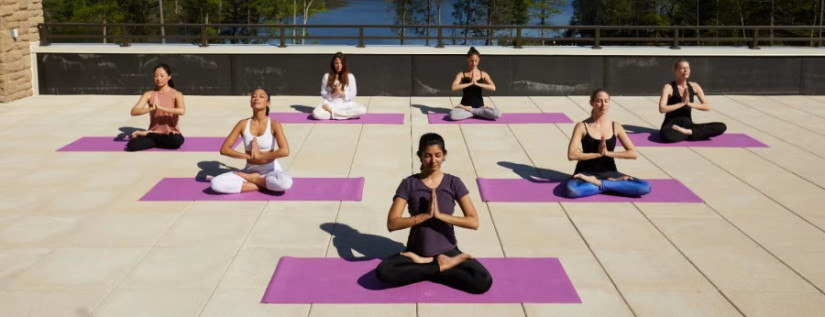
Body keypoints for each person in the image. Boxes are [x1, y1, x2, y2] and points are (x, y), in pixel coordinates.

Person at [375, 133, 492, 294]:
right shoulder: (409, 184)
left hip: (448, 251)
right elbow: (392, 223)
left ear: (444, 155)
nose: (433, 160)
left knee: (482, 280)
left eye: (438, 155)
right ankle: (439, 266)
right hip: (417, 252)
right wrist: (424, 216)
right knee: (384, 271)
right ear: (420, 156)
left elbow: (473, 222)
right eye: (428, 156)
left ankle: (427, 268)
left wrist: (439, 215)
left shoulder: (454, 183)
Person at [565, 89, 651, 198]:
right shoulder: (582, 126)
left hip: (610, 173)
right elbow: (572, 155)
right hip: (585, 173)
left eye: (606, 101)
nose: (603, 105)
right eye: (599, 101)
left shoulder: (616, 126)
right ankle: (612, 186)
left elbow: (633, 153)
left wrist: (608, 153)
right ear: (592, 103)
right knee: (572, 190)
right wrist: (597, 154)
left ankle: (599, 184)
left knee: (645, 187)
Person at [210, 88, 293, 194]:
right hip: (250, 170)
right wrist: (248, 156)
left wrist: (260, 156)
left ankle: (254, 180)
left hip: (271, 170)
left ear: (268, 103)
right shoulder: (243, 124)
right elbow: (224, 149)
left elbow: (285, 151)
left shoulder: (274, 124)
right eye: (254, 96)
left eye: (261, 96)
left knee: (285, 183)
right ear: (250, 103)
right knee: (216, 183)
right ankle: (262, 183)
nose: (256, 98)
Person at [657, 59, 727, 143]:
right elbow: (662, 108)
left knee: (721, 126)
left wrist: (689, 104)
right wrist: (682, 103)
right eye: (683, 68)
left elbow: (707, 106)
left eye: (688, 68)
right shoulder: (669, 87)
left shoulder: (695, 86)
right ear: (676, 70)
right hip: (671, 125)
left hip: (688, 125)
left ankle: (688, 132)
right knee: (666, 136)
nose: (686, 70)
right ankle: (694, 134)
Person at [127, 64, 186, 151]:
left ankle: (148, 135)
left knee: (177, 141)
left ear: (169, 77)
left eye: (162, 76)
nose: (158, 78)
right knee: (132, 145)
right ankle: (155, 137)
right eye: (155, 76)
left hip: (171, 134)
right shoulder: (149, 94)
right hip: (154, 132)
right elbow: (133, 111)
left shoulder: (176, 94)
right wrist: (150, 109)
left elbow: (181, 111)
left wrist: (161, 108)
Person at [448, 47, 500, 121]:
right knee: (452, 115)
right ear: (467, 60)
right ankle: (477, 113)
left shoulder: (483, 74)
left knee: (497, 113)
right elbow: (453, 87)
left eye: (476, 61)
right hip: (464, 107)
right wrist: (470, 83)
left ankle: (473, 112)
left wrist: (477, 84)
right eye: (471, 61)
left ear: (479, 61)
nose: (474, 63)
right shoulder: (462, 74)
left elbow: (493, 87)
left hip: (480, 107)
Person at [312, 52, 367, 120]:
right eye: (336, 63)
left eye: (341, 63)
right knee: (316, 113)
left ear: (344, 64)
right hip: (330, 104)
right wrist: (334, 92)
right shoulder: (326, 76)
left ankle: (332, 113)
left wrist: (340, 92)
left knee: (362, 110)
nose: (339, 65)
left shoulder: (350, 76)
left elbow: (353, 93)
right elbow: (323, 93)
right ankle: (342, 115)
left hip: (345, 105)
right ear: (333, 64)